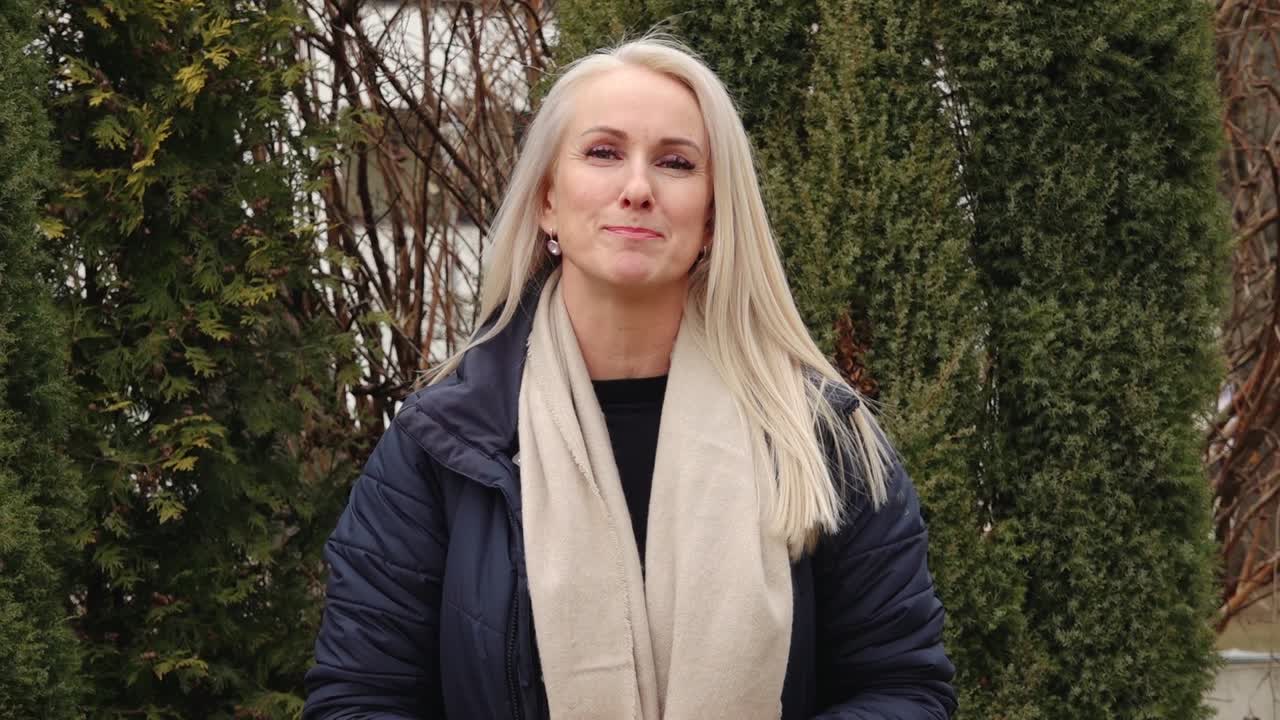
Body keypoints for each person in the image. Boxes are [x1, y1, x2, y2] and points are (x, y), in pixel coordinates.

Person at [303, 35, 956, 720]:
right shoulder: (441, 449)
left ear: (712, 214)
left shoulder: (819, 440)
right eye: (604, 152)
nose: (637, 188)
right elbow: (360, 698)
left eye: (676, 162)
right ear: (548, 201)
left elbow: (903, 689)